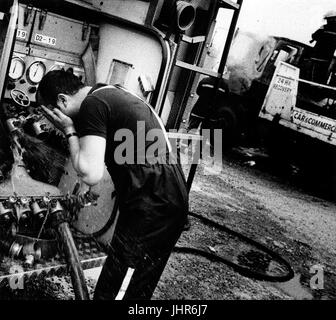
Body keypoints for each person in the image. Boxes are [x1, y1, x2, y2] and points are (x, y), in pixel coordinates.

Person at [37, 69, 189, 300]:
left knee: (119, 290)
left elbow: (90, 173)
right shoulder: (108, 92)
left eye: (51, 115)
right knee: (128, 284)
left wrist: (68, 130)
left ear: (62, 101)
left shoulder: (93, 105)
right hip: (162, 199)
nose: (52, 122)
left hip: (153, 206)